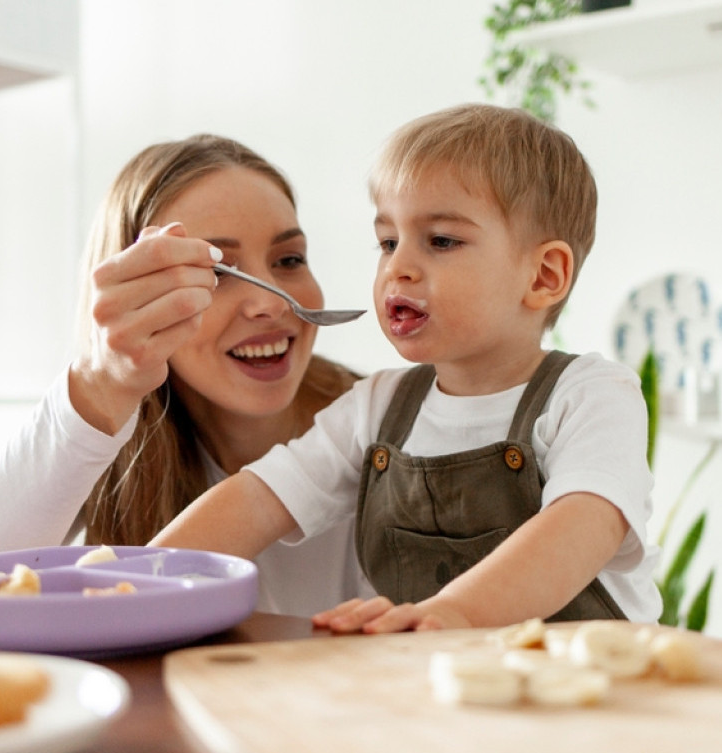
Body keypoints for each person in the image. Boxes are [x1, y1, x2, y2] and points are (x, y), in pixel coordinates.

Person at [151, 103, 661, 633]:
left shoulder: (592, 397)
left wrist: (454, 613)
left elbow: (580, 527)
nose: (398, 267)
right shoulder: (378, 407)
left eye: (441, 241)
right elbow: (259, 499)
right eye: (388, 241)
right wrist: (144, 575)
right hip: (438, 689)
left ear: (543, 276)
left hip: (591, 691)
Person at [0, 134, 375, 616]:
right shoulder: (113, 444)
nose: (269, 303)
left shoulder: (382, 424)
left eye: (289, 260)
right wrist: (102, 383)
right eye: (219, 272)